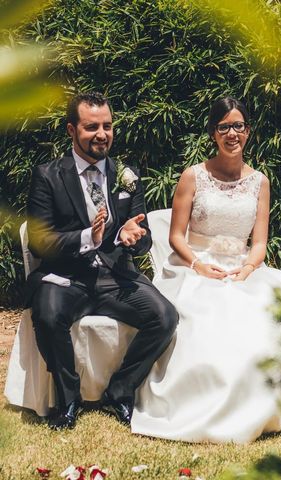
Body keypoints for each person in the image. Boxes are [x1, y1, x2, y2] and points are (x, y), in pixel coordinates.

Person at [131, 97, 281, 443]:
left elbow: (260, 242)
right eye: (224, 127)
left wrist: (248, 269)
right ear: (213, 133)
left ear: (248, 131)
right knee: (209, 321)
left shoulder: (260, 182)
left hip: (244, 268)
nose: (232, 133)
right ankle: (210, 406)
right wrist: (199, 265)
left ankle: (279, 405)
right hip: (195, 266)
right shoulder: (193, 176)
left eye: (238, 126)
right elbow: (175, 236)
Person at [26, 92, 178, 430]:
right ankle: (68, 400)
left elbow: (146, 237)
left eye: (107, 126)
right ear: (71, 130)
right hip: (66, 277)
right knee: (49, 317)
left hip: (116, 277)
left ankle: (120, 392)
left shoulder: (127, 174)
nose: (102, 134)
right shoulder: (48, 176)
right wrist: (87, 238)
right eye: (91, 126)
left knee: (165, 317)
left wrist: (132, 237)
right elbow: (39, 242)